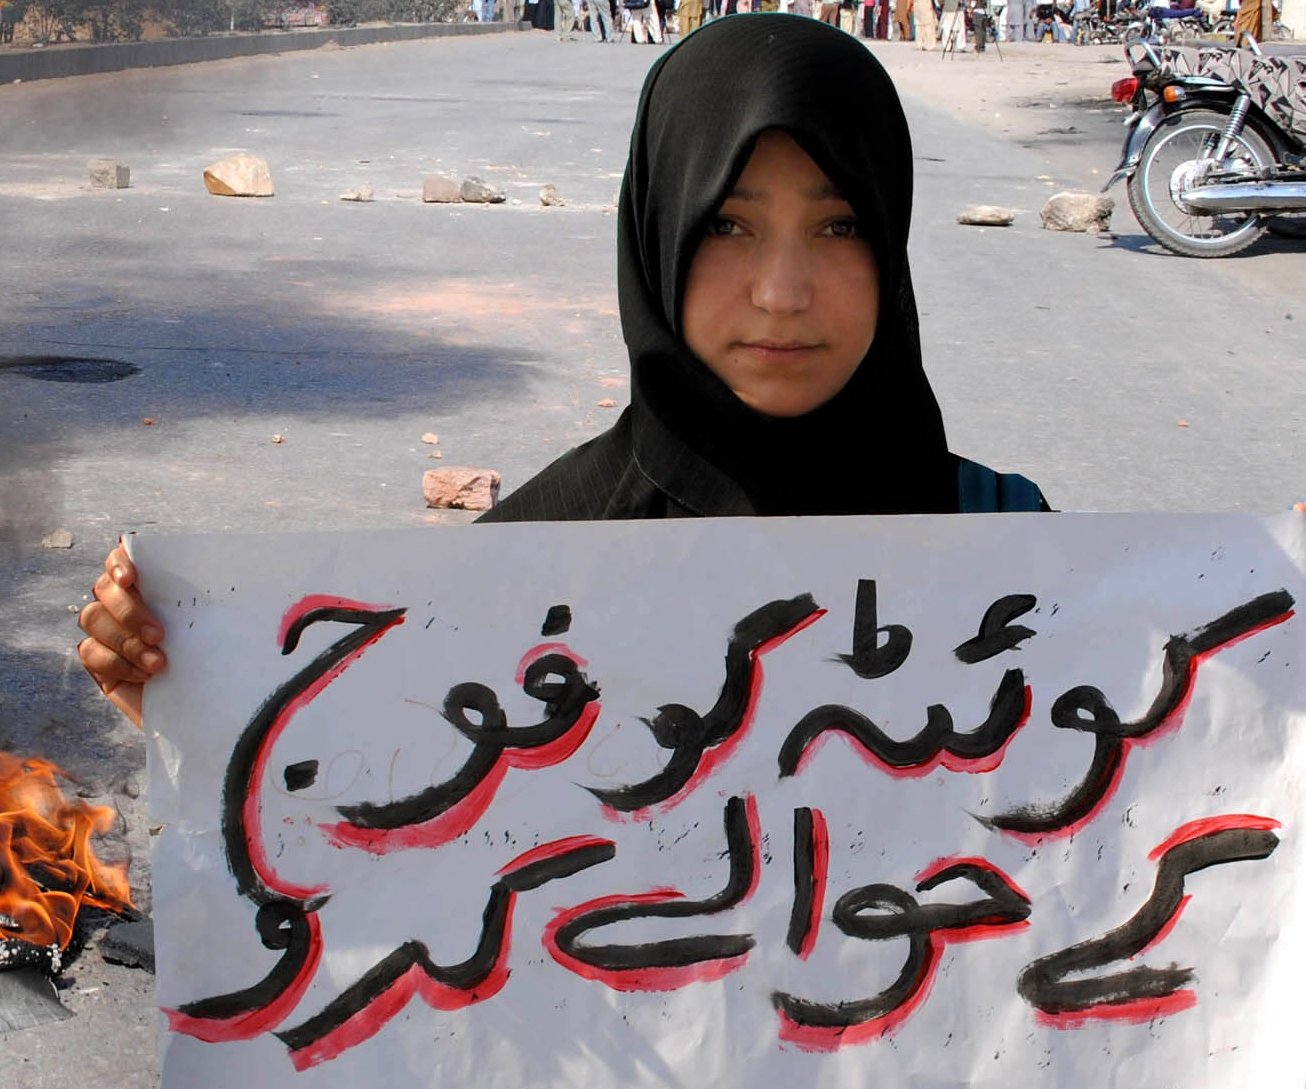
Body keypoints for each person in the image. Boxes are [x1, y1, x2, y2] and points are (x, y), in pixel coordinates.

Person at [76, 15, 1047, 726]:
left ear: (890, 235)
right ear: (656, 238)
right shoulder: (526, 565)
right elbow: (351, 809)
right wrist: (179, 710)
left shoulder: (1017, 558)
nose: (781, 291)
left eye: (837, 225)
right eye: (727, 224)